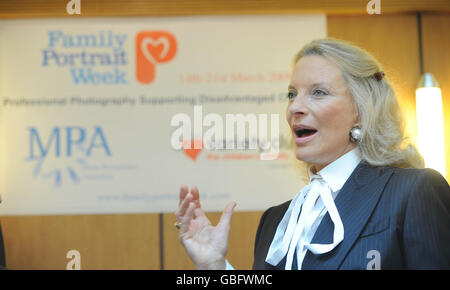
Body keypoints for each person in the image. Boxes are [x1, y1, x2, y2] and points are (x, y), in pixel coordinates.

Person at [175, 38, 450, 270]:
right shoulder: (274, 222)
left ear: (361, 110)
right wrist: (214, 265)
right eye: (292, 94)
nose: (295, 107)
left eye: (318, 92)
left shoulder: (414, 191)